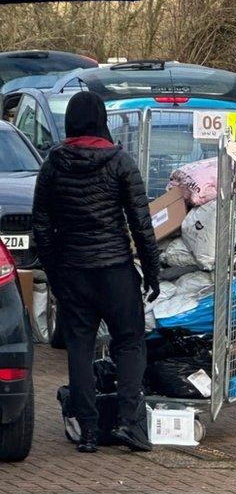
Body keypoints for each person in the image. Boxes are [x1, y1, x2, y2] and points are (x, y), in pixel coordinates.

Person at [32, 91, 161, 453]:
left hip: (74, 271)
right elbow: (141, 223)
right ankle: (131, 426)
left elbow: (40, 225)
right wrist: (152, 272)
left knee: (79, 349)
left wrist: (56, 272)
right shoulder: (120, 162)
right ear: (102, 119)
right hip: (116, 270)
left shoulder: (54, 163)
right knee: (130, 343)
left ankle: (88, 432)